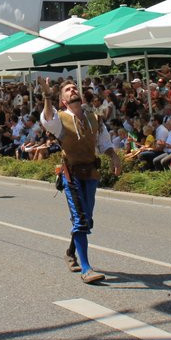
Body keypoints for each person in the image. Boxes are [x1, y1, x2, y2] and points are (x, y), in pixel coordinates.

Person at [40, 77, 121, 285]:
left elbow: (105, 143)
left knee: (87, 219)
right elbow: (47, 119)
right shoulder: (60, 118)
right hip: (72, 174)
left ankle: (70, 252)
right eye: (67, 89)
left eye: (74, 87)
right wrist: (47, 96)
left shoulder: (94, 118)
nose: (73, 89)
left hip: (91, 173)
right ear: (63, 100)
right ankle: (86, 269)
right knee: (81, 219)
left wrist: (114, 156)